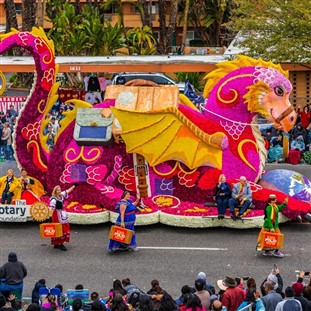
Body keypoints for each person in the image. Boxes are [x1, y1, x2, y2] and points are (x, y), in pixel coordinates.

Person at [49, 184, 76, 251]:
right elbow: (51, 209)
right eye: (58, 190)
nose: (59, 191)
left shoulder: (61, 195)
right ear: (55, 191)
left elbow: (68, 191)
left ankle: (57, 243)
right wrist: (49, 217)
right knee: (59, 228)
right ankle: (59, 243)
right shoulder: (53, 199)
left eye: (60, 189)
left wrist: (74, 185)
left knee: (64, 227)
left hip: (62, 213)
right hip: (56, 215)